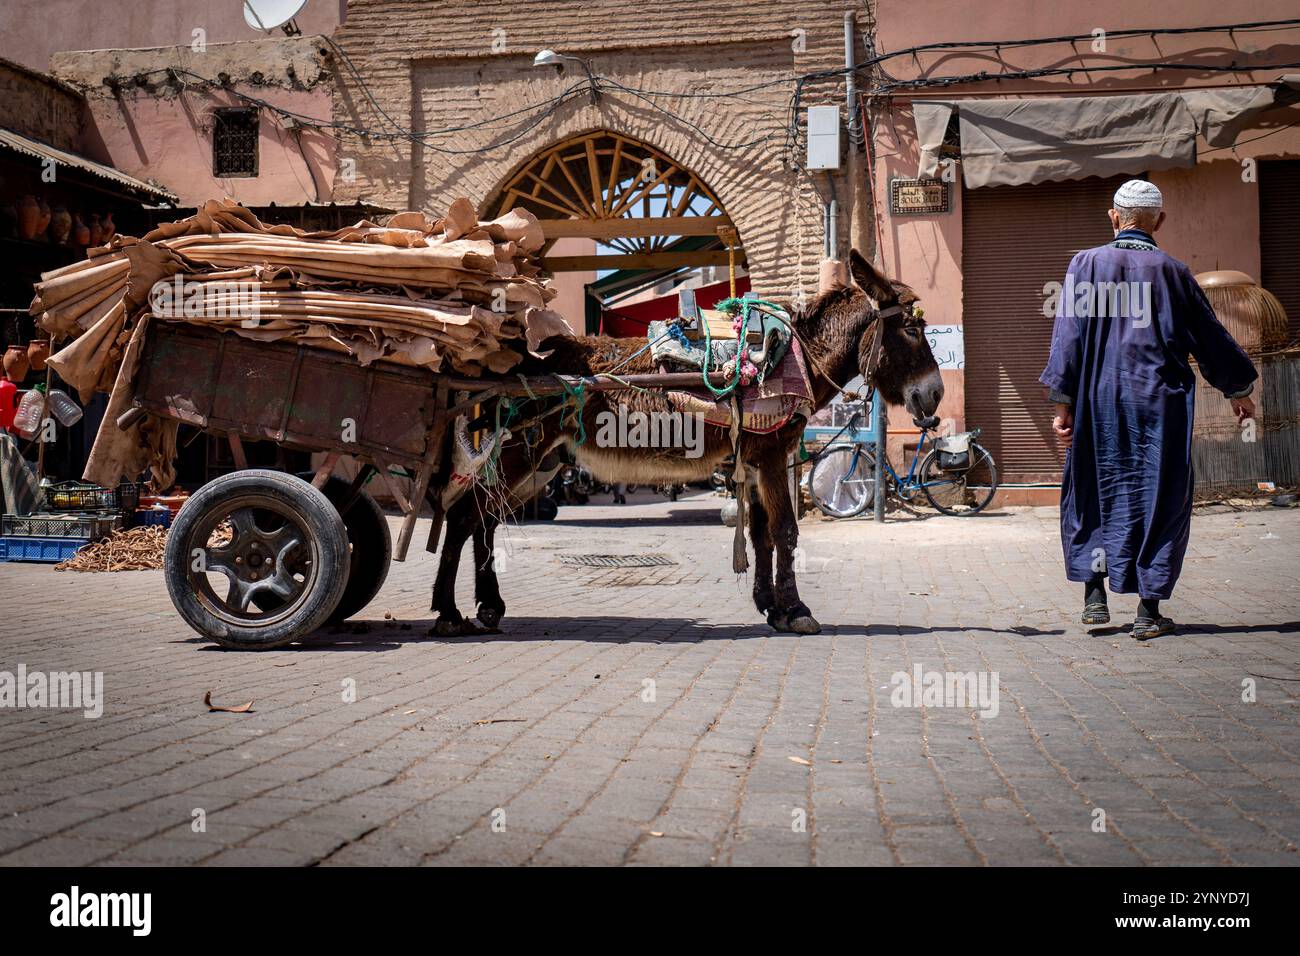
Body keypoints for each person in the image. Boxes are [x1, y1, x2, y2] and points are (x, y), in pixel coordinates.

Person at [1039, 179, 1257, 640]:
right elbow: (1210, 337)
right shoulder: (1175, 273)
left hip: (1098, 402)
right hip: (1161, 404)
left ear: (1114, 216)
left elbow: (1069, 338)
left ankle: (1094, 599)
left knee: (1092, 492)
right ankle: (1147, 609)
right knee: (1160, 496)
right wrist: (1238, 390)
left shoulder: (1085, 264)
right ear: (1159, 221)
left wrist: (1063, 401)